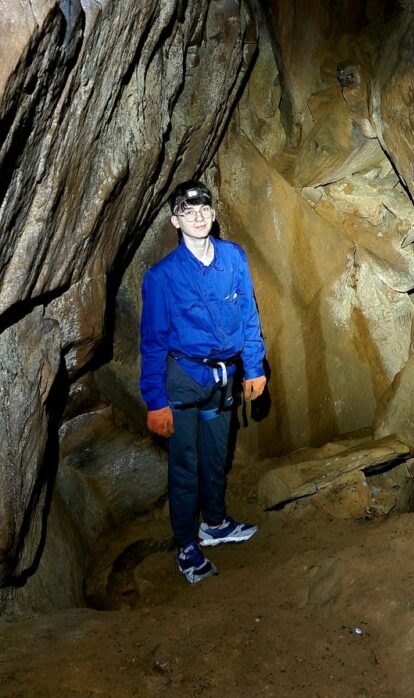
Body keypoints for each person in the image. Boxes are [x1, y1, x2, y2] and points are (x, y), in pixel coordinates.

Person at [139, 180, 267, 583]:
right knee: (185, 463)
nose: (198, 217)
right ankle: (186, 545)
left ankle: (214, 523)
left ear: (213, 214)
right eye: (188, 212)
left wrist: (254, 367)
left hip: (224, 377)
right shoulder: (162, 277)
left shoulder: (233, 257)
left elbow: (248, 315)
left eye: (204, 210)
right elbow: (153, 343)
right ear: (175, 221)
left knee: (215, 455)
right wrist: (155, 401)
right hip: (184, 380)